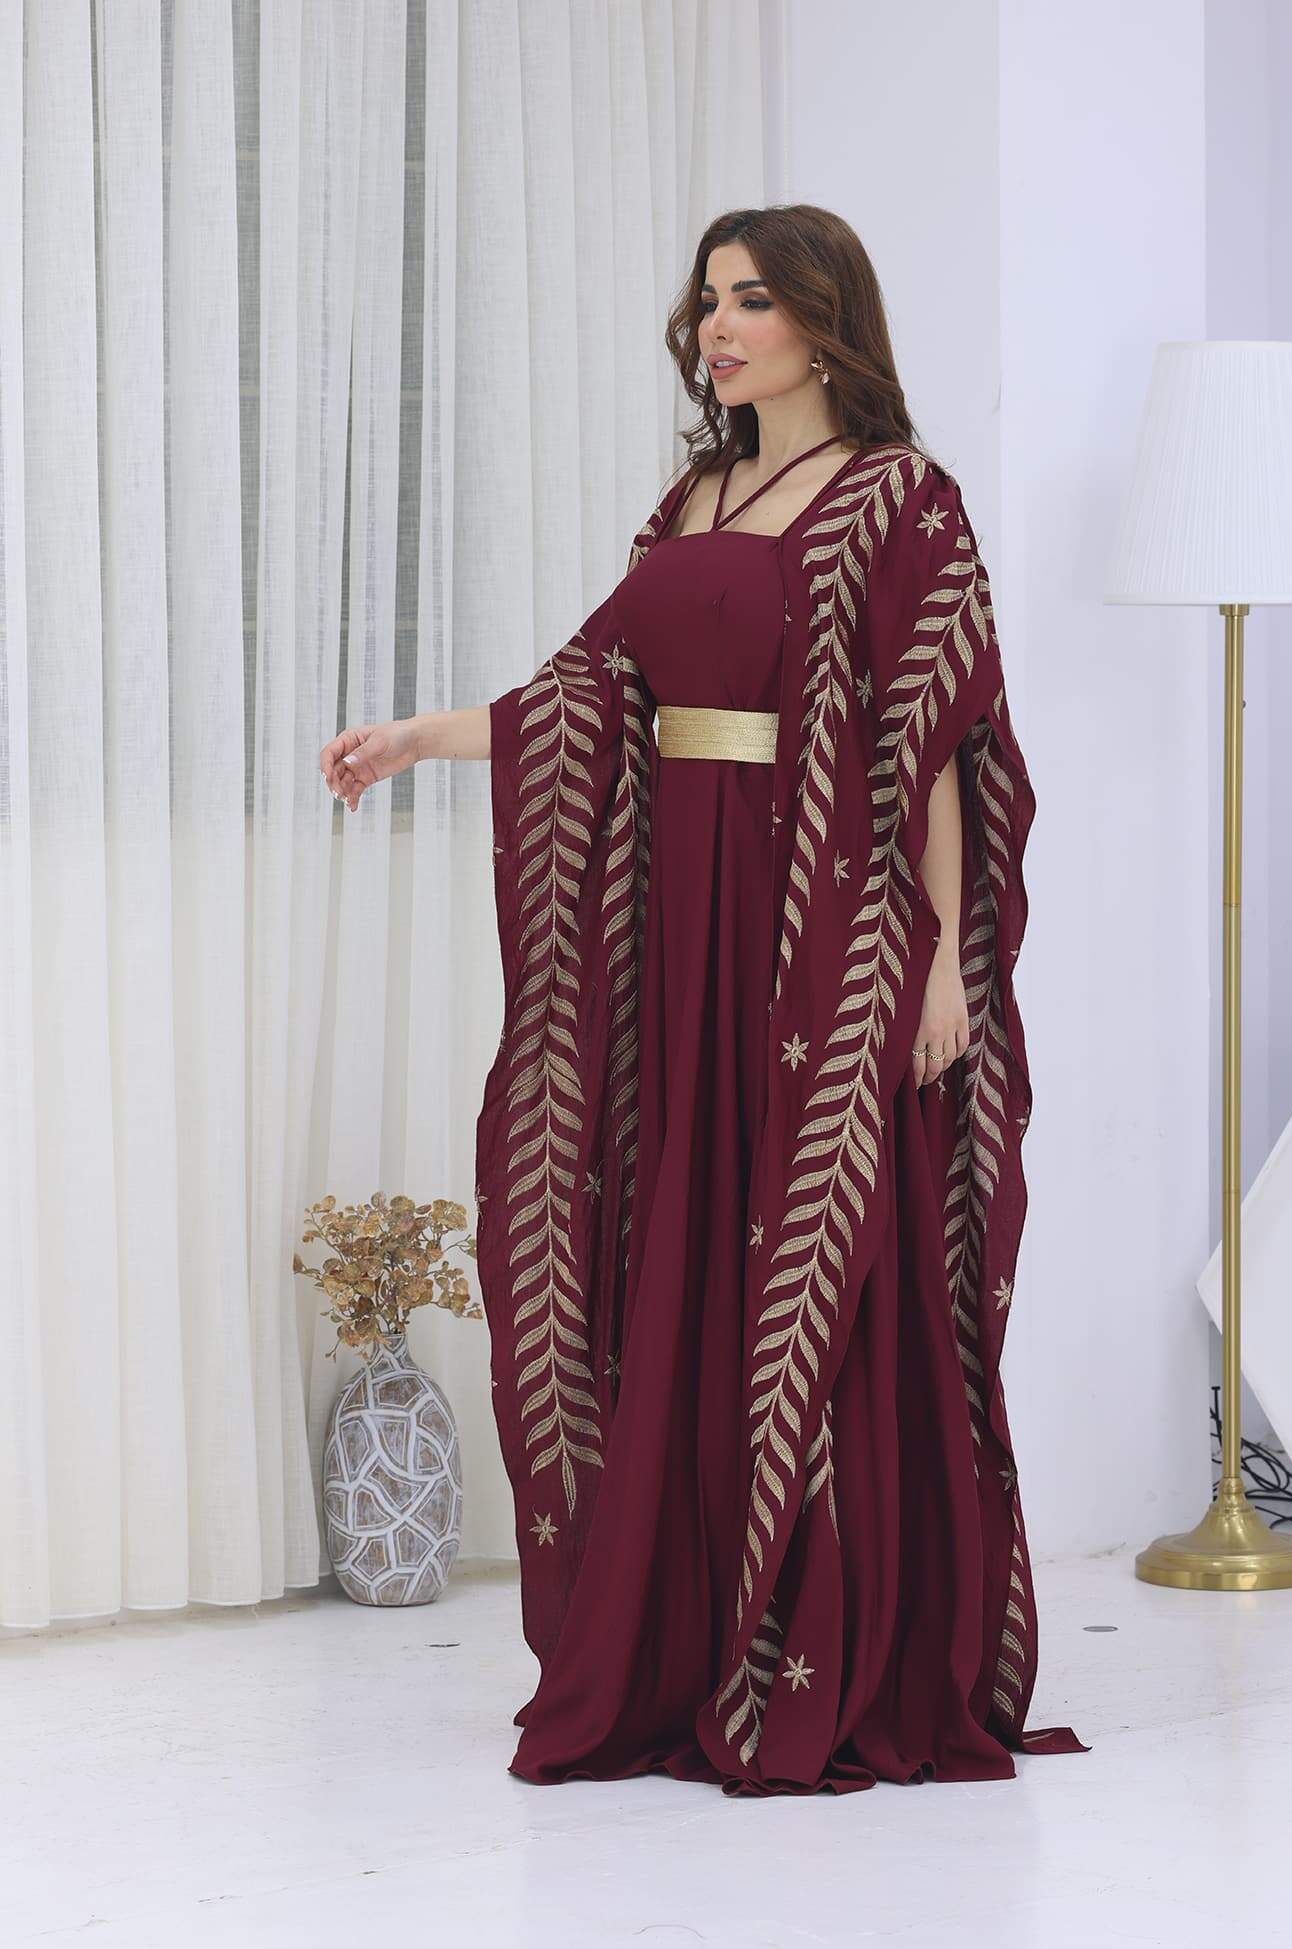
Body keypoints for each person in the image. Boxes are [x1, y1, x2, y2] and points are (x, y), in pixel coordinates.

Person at [320, 203, 1089, 1796]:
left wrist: (938, 959)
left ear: (823, 322)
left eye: (750, 301)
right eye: (708, 302)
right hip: (679, 930)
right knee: (683, 1236)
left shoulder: (901, 498)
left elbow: (931, 738)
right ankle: (689, 1631)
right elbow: (590, 691)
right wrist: (416, 740)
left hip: (827, 928)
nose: (717, 328)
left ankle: (834, 1639)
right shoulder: (693, 501)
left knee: (820, 1241)